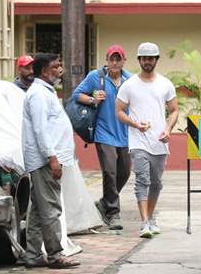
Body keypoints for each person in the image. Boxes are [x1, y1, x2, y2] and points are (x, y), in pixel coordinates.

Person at [22, 53, 80, 269]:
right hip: (45, 161)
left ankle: (33, 255)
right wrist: (52, 158)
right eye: (56, 67)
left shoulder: (44, 92)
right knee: (51, 209)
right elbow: (40, 129)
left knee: (38, 209)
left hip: (47, 159)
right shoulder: (38, 94)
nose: (60, 70)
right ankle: (56, 255)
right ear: (45, 71)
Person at [115, 42, 179, 238]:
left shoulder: (165, 84)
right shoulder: (129, 85)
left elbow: (174, 110)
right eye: (143, 58)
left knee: (156, 183)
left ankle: (150, 218)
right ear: (139, 60)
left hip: (159, 141)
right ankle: (144, 223)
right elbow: (118, 111)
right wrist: (135, 125)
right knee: (142, 180)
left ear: (156, 60)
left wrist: (168, 129)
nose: (146, 62)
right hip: (138, 141)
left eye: (150, 58)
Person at [72, 44, 132, 230]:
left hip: (125, 134)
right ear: (106, 60)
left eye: (118, 59)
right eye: (111, 58)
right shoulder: (96, 77)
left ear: (124, 61)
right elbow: (76, 95)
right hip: (103, 133)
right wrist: (92, 99)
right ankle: (113, 213)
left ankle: (105, 202)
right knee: (110, 171)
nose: (114, 62)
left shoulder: (130, 80)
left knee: (124, 172)